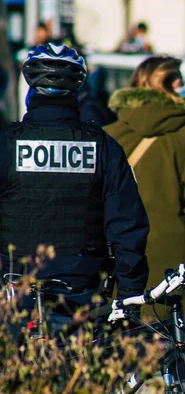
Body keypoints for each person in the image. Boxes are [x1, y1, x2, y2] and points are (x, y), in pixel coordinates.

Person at [0, 43, 150, 333]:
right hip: (81, 295)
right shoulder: (103, 146)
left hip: (13, 290)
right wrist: (129, 299)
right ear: (76, 90)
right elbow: (128, 228)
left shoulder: (6, 146)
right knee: (78, 374)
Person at [104, 55, 185, 323]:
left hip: (117, 257)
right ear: (168, 87)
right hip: (174, 259)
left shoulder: (108, 136)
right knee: (171, 342)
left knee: (119, 344)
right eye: (180, 82)